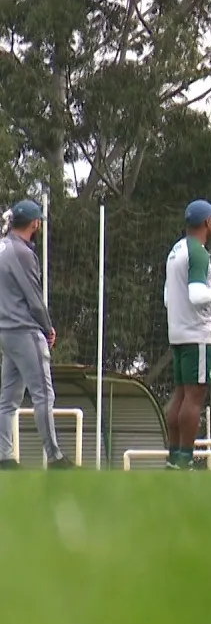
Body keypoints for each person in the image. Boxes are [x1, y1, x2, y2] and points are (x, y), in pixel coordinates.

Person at [161, 199, 211, 470]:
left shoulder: (175, 250)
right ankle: (184, 459)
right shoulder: (198, 252)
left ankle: (173, 457)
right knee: (194, 397)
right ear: (207, 223)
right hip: (198, 335)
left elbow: (168, 297)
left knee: (180, 395)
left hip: (178, 333)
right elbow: (196, 295)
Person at [0, 200, 72, 469]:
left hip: (5, 331)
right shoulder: (23, 252)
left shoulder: (3, 246)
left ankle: (4, 457)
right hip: (24, 330)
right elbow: (33, 298)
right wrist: (47, 326)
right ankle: (54, 457)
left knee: (7, 399)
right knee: (43, 394)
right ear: (34, 223)